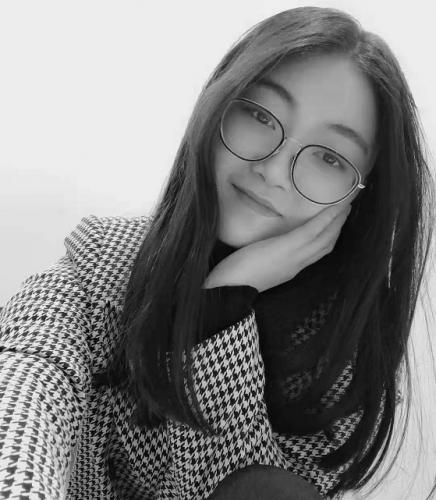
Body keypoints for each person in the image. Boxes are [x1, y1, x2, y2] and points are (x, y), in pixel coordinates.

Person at [0, 5, 435, 500]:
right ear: (216, 107)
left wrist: (221, 307)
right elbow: (23, 385)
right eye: (259, 115)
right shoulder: (102, 264)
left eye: (329, 157)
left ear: (359, 198)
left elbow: (243, 488)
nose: (274, 170)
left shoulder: (338, 363)